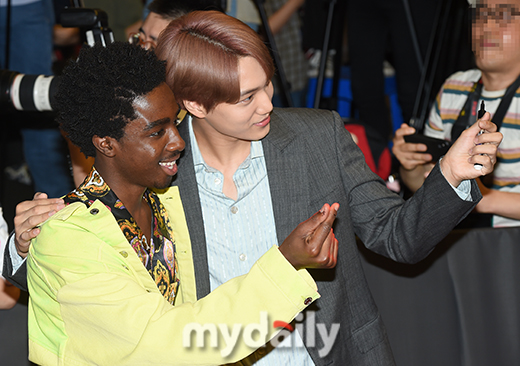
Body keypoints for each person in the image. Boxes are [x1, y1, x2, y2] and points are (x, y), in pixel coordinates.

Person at [5, 11, 502, 365]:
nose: (268, 104)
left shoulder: (317, 136)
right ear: (196, 104)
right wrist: (22, 247)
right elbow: (91, 284)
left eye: (266, 84)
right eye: (247, 97)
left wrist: (452, 175)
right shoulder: (157, 171)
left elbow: (400, 237)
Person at [24, 41, 340, 365]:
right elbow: (169, 344)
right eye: (157, 132)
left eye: (175, 122)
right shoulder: (68, 239)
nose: (178, 140)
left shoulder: (166, 201)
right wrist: (285, 264)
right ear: (106, 144)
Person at [393, 0, 520, 227]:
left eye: (503, 16)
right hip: (456, 241)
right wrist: (410, 166)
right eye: (480, 16)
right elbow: (425, 189)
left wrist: (479, 197)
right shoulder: (455, 86)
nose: (486, 27)